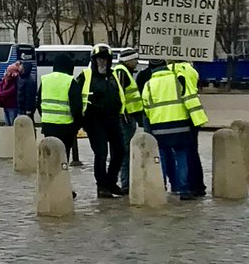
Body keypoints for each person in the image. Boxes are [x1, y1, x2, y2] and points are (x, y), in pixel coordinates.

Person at [69, 44, 127, 198]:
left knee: (120, 150)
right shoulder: (86, 76)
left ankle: (111, 181)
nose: (102, 62)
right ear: (94, 60)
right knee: (101, 152)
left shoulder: (114, 76)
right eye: (99, 59)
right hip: (94, 120)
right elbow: (76, 97)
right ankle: (102, 186)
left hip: (113, 118)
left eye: (105, 59)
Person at [142, 59, 200, 200]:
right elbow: (188, 99)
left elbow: (146, 107)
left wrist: (149, 128)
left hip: (159, 127)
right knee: (181, 157)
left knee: (160, 158)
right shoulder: (177, 79)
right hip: (180, 125)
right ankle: (184, 189)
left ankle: (160, 187)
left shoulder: (149, 84)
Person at [172, 60, 209, 197]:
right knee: (193, 152)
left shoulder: (175, 71)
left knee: (186, 153)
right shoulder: (191, 70)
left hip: (184, 115)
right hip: (195, 114)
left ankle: (191, 186)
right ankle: (198, 185)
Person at [113, 49, 144, 193]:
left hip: (128, 116)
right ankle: (125, 184)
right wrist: (124, 113)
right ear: (128, 61)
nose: (136, 62)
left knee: (126, 150)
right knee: (125, 151)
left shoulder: (124, 71)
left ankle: (127, 183)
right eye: (135, 60)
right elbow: (120, 94)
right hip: (125, 117)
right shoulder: (121, 71)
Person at [38, 54, 78, 159]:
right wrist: (76, 126)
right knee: (63, 158)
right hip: (66, 127)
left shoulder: (45, 80)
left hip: (48, 126)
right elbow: (77, 108)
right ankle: (61, 175)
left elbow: (38, 103)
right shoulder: (70, 81)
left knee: (50, 157)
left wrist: (45, 116)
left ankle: (50, 175)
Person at [0, 61, 21, 126]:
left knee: (12, 123)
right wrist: (0, 92)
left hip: (12, 105)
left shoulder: (16, 79)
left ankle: (12, 135)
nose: (7, 72)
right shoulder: (6, 78)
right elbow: (0, 85)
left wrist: (0, 94)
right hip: (5, 104)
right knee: (7, 123)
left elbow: (12, 91)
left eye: (9, 71)